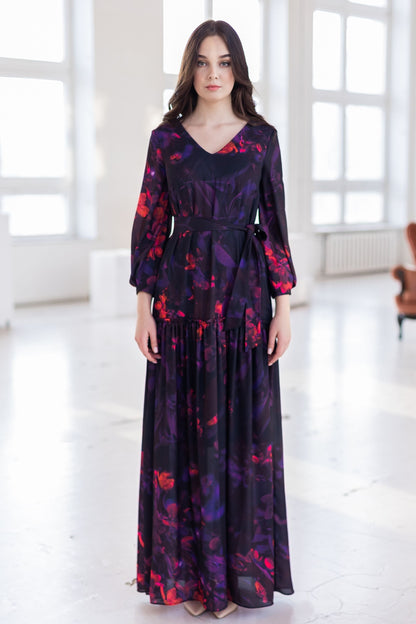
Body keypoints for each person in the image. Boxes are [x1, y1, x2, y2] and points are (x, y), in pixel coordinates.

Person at [129, 19, 296, 619]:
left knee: (240, 439)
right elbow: (151, 223)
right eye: (202, 62)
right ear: (189, 69)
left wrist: (283, 306)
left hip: (244, 303)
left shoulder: (261, 140)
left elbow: (274, 224)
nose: (213, 73)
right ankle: (192, 578)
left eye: (224, 62)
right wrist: (143, 307)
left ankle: (233, 578)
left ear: (237, 70)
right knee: (184, 436)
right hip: (180, 306)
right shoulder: (166, 141)